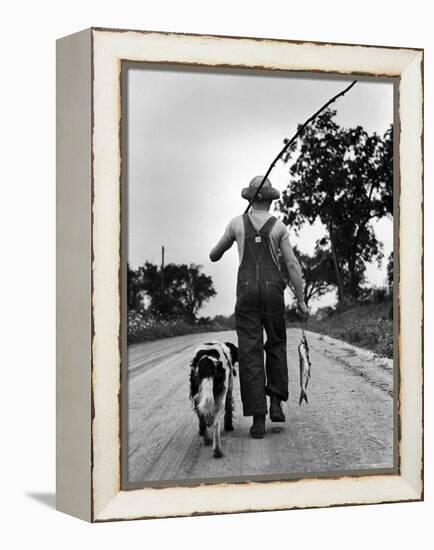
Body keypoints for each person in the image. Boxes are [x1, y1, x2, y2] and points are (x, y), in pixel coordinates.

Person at [209, 176, 309, 439]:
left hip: (246, 294)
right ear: (270, 199)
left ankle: (257, 419)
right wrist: (300, 300)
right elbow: (292, 266)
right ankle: (276, 402)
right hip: (272, 293)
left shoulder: (236, 223)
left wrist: (235, 233)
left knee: (251, 352)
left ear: (250, 199)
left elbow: (213, 254)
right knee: (275, 343)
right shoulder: (279, 227)